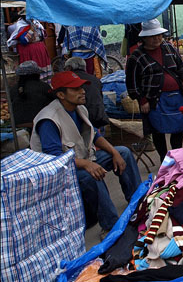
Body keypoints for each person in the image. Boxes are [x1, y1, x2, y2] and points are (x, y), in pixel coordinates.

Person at [30, 71, 141, 237]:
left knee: (123, 153)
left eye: (81, 87)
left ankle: (138, 203)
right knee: (92, 175)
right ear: (61, 94)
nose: (82, 91)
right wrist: (87, 164)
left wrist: (113, 152)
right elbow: (54, 159)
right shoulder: (49, 119)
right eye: (75, 89)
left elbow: (94, 135)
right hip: (59, 171)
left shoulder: (80, 108)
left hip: (82, 159)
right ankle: (110, 226)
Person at [125, 19, 183, 162]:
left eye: (159, 35)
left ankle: (177, 156)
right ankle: (164, 159)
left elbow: (181, 66)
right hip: (154, 100)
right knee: (157, 129)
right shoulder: (136, 57)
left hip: (176, 97)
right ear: (144, 38)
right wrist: (142, 100)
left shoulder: (168, 48)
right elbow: (132, 83)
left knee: (178, 126)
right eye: (152, 36)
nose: (157, 38)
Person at [64, 56, 109, 130]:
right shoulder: (95, 80)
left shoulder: (68, 81)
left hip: (84, 121)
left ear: (69, 68)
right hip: (99, 118)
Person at [9, 61, 53, 127]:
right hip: (40, 124)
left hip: (18, 126)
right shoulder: (44, 87)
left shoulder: (13, 89)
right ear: (37, 74)